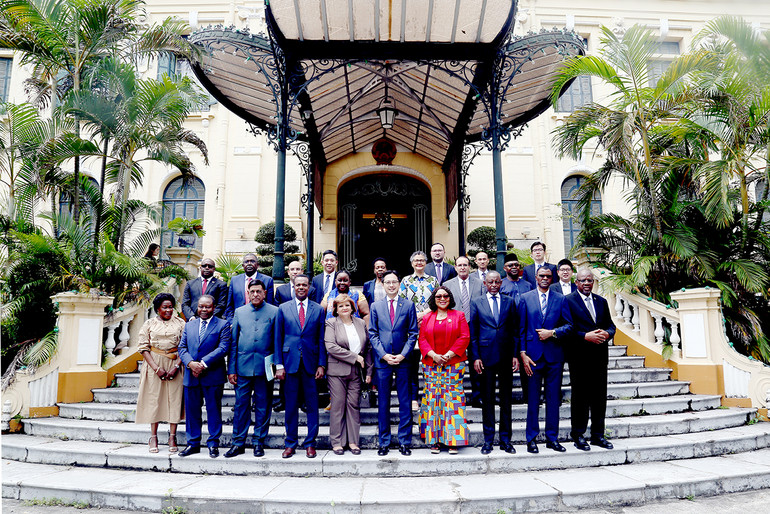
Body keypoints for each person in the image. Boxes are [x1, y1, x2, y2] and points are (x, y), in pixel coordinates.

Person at [518, 266, 573, 454]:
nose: (545, 278)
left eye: (548, 276)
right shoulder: (525, 298)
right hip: (532, 357)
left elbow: (569, 326)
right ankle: (531, 439)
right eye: (541, 275)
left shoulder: (560, 299)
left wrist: (553, 333)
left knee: (553, 399)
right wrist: (523, 353)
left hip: (554, 356)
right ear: (536, 277)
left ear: (552, 278)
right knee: (533, 400)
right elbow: (521, 329)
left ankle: (552, 438)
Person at [225, 280, 279, 458]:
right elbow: (234, 342)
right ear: (248, 293)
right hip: (242, 366)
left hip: (266, 366)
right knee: (241, 405)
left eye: (258, 291)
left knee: (263, 405)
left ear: (264, 293)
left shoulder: (274, 311)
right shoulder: (240, 312)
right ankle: (238, 443)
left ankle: (258, 442)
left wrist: (277, 366)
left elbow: (277, 341)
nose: (255, 294)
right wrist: (231, 369)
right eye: (252, 291)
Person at [274, 275, 326, 459]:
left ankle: (310, 443)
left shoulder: (318, 309)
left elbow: (321, 338)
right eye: (298, 285)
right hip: (289, 364)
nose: (301, 287)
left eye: (304, 285)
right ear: (293, 287)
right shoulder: (283, 308)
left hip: (311, 364)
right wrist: (279, 365)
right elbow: (278, 337)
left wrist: (321, 364)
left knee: (312, 405)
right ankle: (290, 443)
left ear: (309, 287)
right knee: (290, 405)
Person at [565, 269, 617, 451]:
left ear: (593, 282)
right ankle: (578, 435)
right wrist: (585, 336)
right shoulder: (568, 301)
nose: (586, 283)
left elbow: (611, 325)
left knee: (599, 398)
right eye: (582, 280)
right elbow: (566, 329)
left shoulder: (601, 301)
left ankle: (598, 435)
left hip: (600, 356)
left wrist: (608, 333)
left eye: (589, 280)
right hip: (579, 357)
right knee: (580, 397)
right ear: (576, 282)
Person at [369, 270, 419, 456]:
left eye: (394, 282)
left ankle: (405, 441)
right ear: (383, 285)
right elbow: (373, 333)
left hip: (403, 360)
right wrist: (383, 355)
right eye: (388, 282)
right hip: (383, 361)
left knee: (405, 401)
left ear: (399, 284)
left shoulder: (408, 305)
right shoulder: (376, 306)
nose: (391, 285)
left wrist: (403, 354)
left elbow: (413, 333)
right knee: (383, 402)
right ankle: (384, 442)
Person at [469, 271, 519, 455]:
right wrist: (476, 357)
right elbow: (473, 332)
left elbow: (515, 330)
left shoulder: (509, 301)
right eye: (490, 282)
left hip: (506, 356)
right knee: (488, 400)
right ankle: (488, 440)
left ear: (501, 283)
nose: (494, 285)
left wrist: (515, 355)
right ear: (485, 283)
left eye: (497, 282)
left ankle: (506, 440)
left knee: (506, 400)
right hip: (485, 356)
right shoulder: (476, 302)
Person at [418, 286, 471, 454]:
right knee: (433, 401)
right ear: (434, 299)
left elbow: (464, 337)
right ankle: (434, 440)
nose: (442, 299)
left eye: (446, 296)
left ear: (450, 298)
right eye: (439, 296)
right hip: (431, 365)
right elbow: (422, 339)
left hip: (453, 364)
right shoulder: (427, 317)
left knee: (452, 401)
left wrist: (448, 355)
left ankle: (453, 440)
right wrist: (434, 355)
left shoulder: (459, 315)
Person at [178, 295, 231, 458]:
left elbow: (223, 348)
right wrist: (191, 363)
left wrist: (202, 364)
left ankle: (213, 443)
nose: (204, 309)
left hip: (212, 375)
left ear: (213, 308)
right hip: (191, 375)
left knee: (213, 410)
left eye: (208, 306)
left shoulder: (223, 324)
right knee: (192, 411)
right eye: (201, 306)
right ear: (197, 307)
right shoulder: (189, 325)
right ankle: (193, 443)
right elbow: (182, 348)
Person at [135, 293, 186, 454]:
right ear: (158, 308)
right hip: (154, 364)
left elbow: (185, 346)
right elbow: (143, 348)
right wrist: (156, 368)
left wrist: (176, 366)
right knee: (154, 399)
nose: (168, 310)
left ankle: (172, 437)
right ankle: (153, 437)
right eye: (165, 307)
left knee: (175, 399)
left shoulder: (180, 323)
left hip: (175, 362)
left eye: (171, 307)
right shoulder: (149, 324)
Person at [324, 294, 373, 455]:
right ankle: (337, 442)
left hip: (357, 372)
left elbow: (367, 348)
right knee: (338, 406)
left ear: (353, 308)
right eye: (341, 306)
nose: (344, 308)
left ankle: (353, 441)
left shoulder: (360, 323)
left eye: (347, 305)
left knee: (353, 405)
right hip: (337, 371)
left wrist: (369, 371)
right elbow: (331, 346)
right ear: (336, 310)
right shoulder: (331, 323)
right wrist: (354, 357)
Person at [399, 251, 438, 411]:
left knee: (431, 362)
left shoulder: (433, 280)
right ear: (412, 263)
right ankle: (414, 398)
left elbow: (438, 300)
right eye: (416, 260)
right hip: (411, 328)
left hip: (430, 326)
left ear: (426, 263)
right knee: (413, 365)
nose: (419, 263)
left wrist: (424, 314)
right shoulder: (406, 281)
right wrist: (415, 315)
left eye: (422, 260)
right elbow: (402, 301)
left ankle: (431, 396)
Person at [444, 256, 485, 408]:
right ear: (455, 267)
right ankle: (455, 397)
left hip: (475, 328)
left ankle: (477, 397)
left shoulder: (479, 283)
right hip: (455, 329)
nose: (462, 267)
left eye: (465, 265)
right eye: (459, 265)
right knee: (455, 363)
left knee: (476, 362)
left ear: (469, 267)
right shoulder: (447, 285)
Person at [225, 253, 275, 321]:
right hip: (238, 320)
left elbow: (269, 304)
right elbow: (229, 305)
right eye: (246, 262)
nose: (249, 264)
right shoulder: (234, 280)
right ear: (243, 265)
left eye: (252, 261)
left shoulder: (267, 280)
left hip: (260, 320)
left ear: (257, 265)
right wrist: (231, 321)